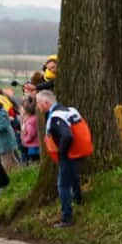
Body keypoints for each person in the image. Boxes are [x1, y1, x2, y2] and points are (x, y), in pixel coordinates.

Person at [36, 90, 91, 228]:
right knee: (73, 176)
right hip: (79, 151)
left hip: (69, 154)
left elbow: (67, 136)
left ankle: (67, 218)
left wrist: (61, 153)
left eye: (38, 103)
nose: (37, 106)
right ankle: (78, 199)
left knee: (63, 185)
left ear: (46, 103)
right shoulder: (69, 110)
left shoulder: (56, 117)